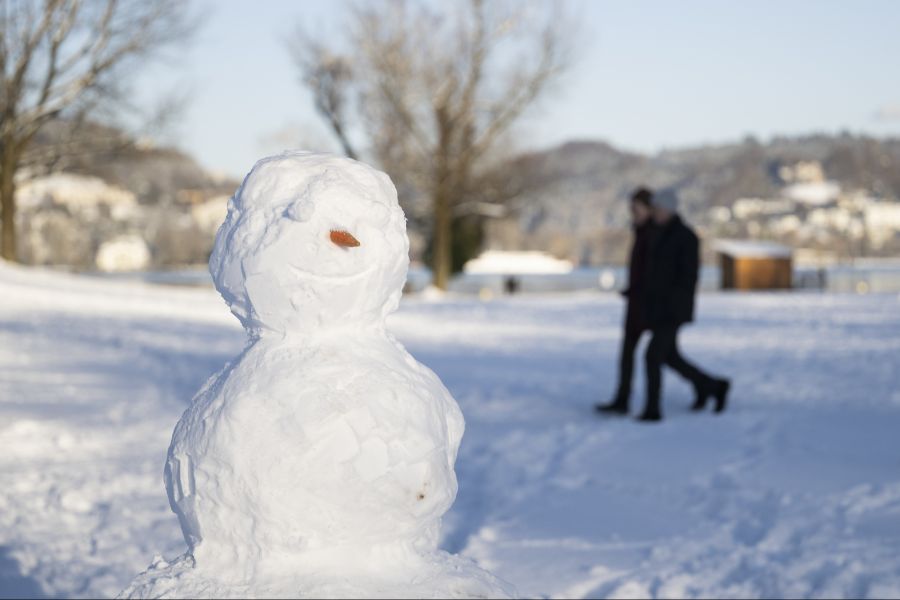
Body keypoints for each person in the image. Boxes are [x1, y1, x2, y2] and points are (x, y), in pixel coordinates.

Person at [638, 188, 730, 422]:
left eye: (657, 209)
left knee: (652, 356)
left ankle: (652, 410)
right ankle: (712, 386)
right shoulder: (658, 233)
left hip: (672, 310)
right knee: (670, 357)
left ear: (668, 210)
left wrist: (673, 306)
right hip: (659, 309)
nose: (654, 213)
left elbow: (688, 278)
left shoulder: (685, 236)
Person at [596, 187, 655, 415]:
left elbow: (651, 272)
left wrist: (640, 292)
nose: (632, 211)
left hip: (647, 305)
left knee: (666, 357)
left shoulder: (653, 233)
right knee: (628, 354)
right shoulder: (641, 230)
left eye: (636, 207)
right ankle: (622, 399)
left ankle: (710, 386)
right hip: (636, 303)